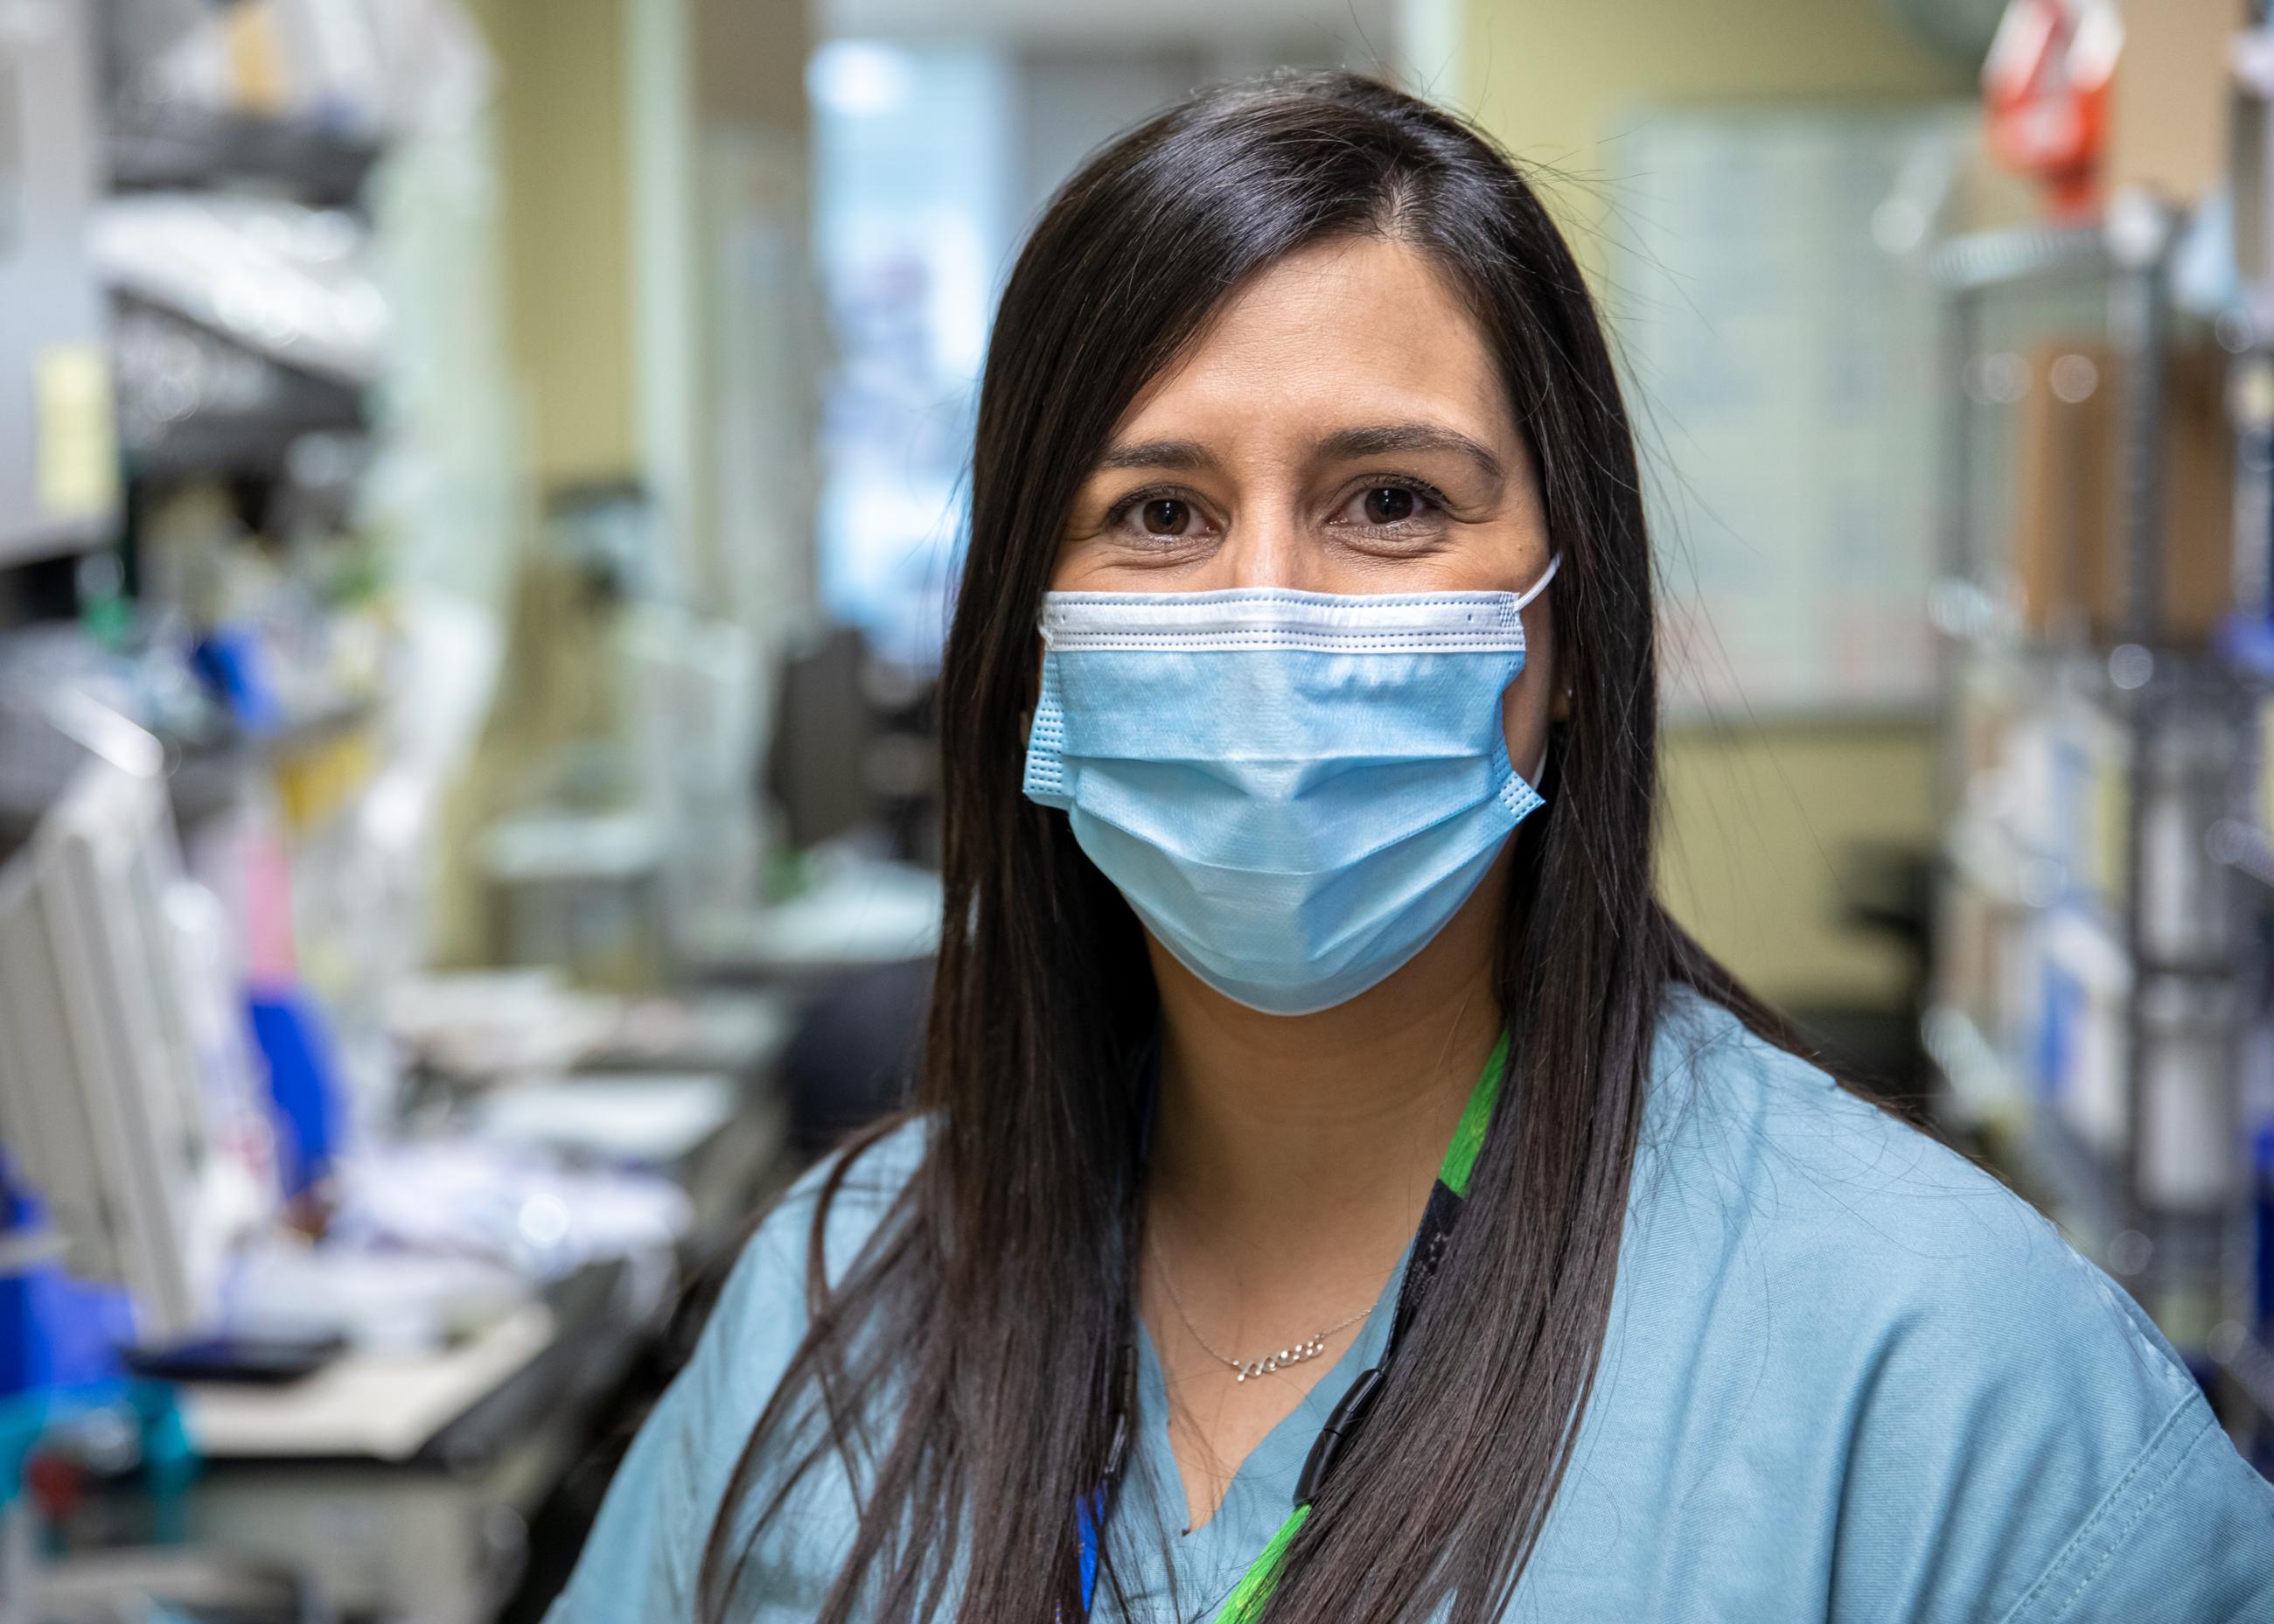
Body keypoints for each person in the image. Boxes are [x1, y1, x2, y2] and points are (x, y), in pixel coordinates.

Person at [546, 71, 2274, 1623]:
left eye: (1392, 500)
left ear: (1568, 624)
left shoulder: (1939, 1369)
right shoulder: (837, 1304)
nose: (1267, 612)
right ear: (1026, 649)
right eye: (1159, 511)